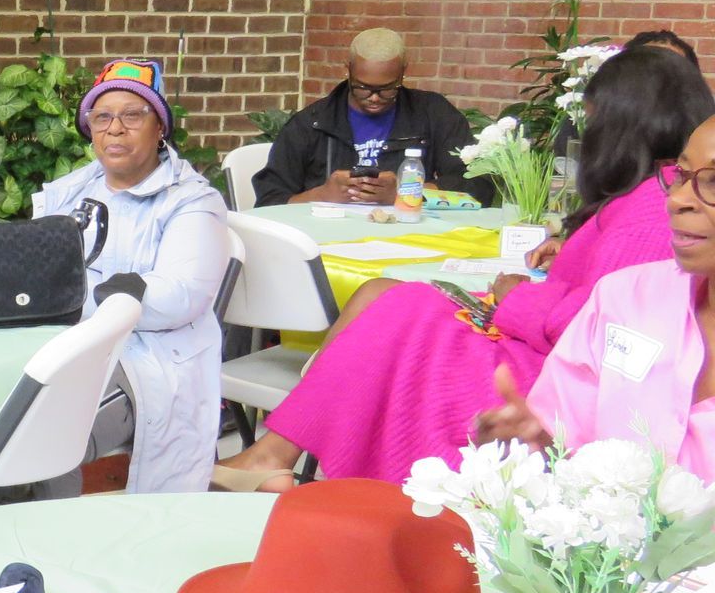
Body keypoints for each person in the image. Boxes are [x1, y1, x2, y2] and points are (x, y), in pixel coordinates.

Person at [215, 46, 715, 490]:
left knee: (402, 311)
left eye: (594, 122)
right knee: (392, 297)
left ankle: (286, 457)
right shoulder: (649, 199)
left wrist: (517, 296)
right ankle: (277, 454)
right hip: (540, 345)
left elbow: (599, 329)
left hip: (550, 375)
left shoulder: (653, 208)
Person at [475, 112, 715, 475]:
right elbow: (563, 439)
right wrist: (537, 445)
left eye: (714, 182)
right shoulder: (625, 297)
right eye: (680, 176)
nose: (678, 199)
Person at [33, 59, 229, 494]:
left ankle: (45, 533)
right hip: (65, 345)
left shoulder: (193, 202)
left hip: (148, 359)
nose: (114, 129)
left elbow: (182, 296)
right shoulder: (69, 192)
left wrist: (97, 296)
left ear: (160, 127)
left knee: (42, 426)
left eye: (132, 115)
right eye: (102, 117)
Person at [251, 28, 488, 207]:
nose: (374, 98)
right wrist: (322, 196)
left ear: (404, 72)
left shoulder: (433, 113)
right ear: (348, 69)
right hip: (329, 238)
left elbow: (478, 184)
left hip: (408, 237)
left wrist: (406, 192)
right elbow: (268, 202)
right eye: (363, 87)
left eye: (388, 89)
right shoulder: (311, 123)